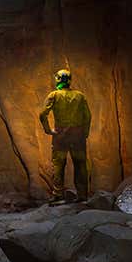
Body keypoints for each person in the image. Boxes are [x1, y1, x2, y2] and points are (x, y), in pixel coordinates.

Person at [39, 68, 91, 202]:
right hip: (77, 135)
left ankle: (58, 195)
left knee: (59, 164)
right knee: (80, 164)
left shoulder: (54, 95)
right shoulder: (80, 95)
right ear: (70, 80)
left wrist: (48, 130)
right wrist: (85, 132)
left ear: (57, 79)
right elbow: (88, 116)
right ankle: (82, 196)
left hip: (60, 135)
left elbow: (42, 114)